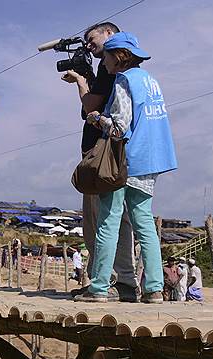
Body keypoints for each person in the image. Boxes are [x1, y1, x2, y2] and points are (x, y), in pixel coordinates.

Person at [75, 32, 177, 304]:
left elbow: (120, 127)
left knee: (108, 222)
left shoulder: (124, 81)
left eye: (106, 57)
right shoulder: (150, 80)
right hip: (152, 160)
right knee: (144, 224)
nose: (104, 63)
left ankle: (98, 288)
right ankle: (154, 289)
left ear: (118, 56)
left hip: (126, 161)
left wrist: (97, 119)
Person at [62, 22, 138, 302]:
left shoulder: (112, 71)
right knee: (102, 221)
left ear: (109, 34)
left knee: (105, 220)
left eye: (92, 40)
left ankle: (112, 281)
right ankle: (109, 280)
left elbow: (90, 107)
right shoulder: (112, 71)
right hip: (104, 153)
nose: (90, 46)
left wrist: (82, 83)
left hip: (105, 154)